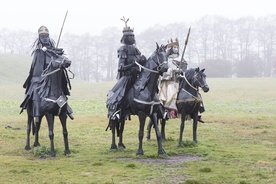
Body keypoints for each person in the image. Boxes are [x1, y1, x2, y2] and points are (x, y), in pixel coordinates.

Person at [20, 25, 74, 120]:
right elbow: (36, 70)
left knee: (60, 85)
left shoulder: (55, 51)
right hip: (39, 78)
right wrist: (42, 77)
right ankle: (36, 112)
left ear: (49, 37)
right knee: (36, 89)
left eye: (46, 36)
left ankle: (66, 108)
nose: (45, 38)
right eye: (42, 37)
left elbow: (61, 60)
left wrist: (63, 63)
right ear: (39, 38)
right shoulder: (38, 52)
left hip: (52, 77)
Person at [106, 17, 146, 120]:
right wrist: (132, 65)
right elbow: (121, 67)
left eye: (133, 36)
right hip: (127, 77)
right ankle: (117, 111)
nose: (133, 38)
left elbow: (141, 63)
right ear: (125, 38)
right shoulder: (122, 49)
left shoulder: (136, 49)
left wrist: (143, 60)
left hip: (138, 76)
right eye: (130, 37)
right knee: (121, 95)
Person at [158, 38, 205, 122]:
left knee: (194, 92)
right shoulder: (166, 59)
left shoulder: (181, 58)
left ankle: (196, 111)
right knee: (171, 91)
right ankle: (169, 111)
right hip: (170, 82)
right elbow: (163, 72)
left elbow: (185, 70)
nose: (176, 49)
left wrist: (182, 72)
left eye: (177, 47)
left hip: (180, 81)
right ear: (170, 48)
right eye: (174, 47)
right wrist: (174, 71)